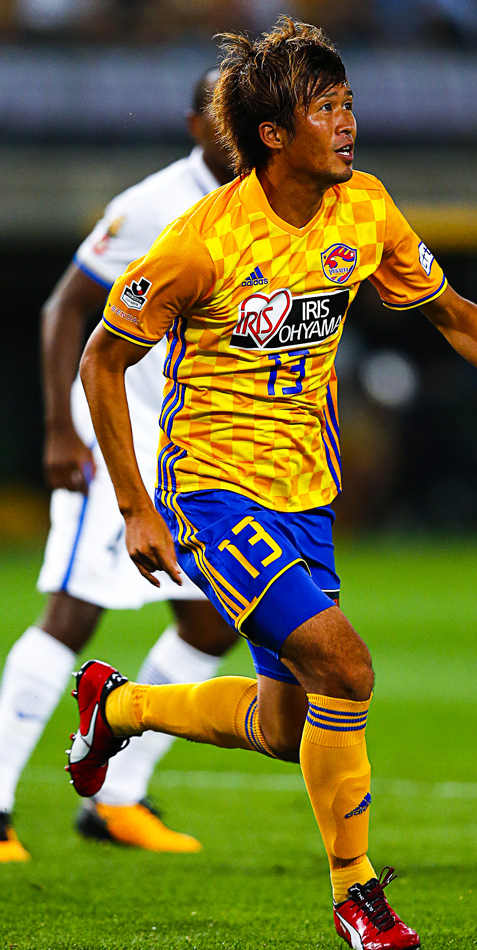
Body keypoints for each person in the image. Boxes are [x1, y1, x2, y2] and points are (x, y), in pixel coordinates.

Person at [70, 17, 477, 950]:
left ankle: (118, 706)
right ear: (273, 135)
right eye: (326, 108)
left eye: (348, 103)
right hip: (212, 492)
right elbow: (101, 358)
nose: (347, 123)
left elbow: (453, 315)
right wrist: (136, 507)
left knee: (291, 725)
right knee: (347, 668)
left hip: (306, 496)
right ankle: (357, 896)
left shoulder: (364, 208)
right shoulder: (203, 243)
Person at [0, 69, 240, 863]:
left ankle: (116, 799)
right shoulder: (153, 205)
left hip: (192, 453)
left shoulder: (264, 207)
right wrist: (57, 429)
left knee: (212, 622)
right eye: (221, 113)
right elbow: (64, 307)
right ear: (194, 125)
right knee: (71, 614)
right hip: (115, 438)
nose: (235, 126)